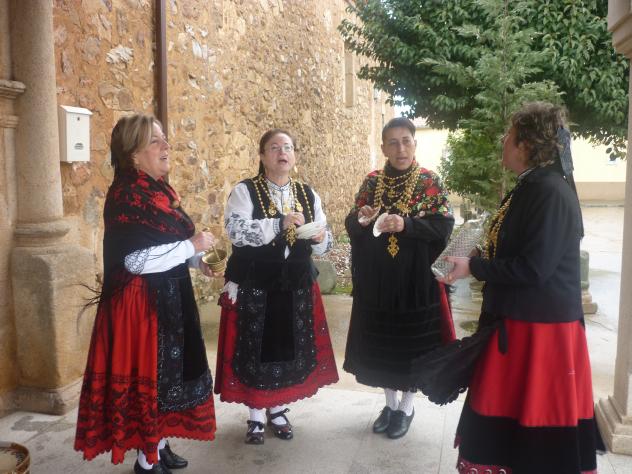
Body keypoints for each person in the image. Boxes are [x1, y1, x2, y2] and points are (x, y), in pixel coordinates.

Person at [440, 102, 601, 473]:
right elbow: (517, 246)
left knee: (534, 426)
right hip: (521, 322)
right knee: (507, 417)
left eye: (509, 135)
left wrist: (474, 267)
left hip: (542, 333)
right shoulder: (531, 185)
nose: (503, 140)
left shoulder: (550, 192)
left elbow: (535, 268)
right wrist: (479, 253)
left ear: (527, 144)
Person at [74, 114, 220, 473]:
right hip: (139, 305)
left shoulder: (158, 192)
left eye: (164, 138)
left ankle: (159, 443)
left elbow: (167, 247)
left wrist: (197, 261)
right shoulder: (127, 196)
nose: (166, 146)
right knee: (150, 381)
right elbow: (136, 261)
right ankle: (147, 460)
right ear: (134, 155)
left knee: (167, 379)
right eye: (155, 141)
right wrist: (191, 246)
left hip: (167, 296)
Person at [215, 128, 339, 444]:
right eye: (274, 147)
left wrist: (320, 237)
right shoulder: (244, 191)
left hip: (295, 284)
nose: (282, 152)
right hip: (255, 283)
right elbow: (236, 231)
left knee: (286, 347)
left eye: (287, 147)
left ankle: (279, 410)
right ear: (262, 156)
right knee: (254, 348)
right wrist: (278, 223)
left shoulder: (308, 194)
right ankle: (256, 415)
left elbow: (325, 241)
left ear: (294, 155)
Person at [343, 117, 455, 439]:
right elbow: (351, 223)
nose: (400, 148)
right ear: (383, 148)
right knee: (382, 343)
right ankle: (390, 405)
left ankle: (405, 408)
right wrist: (362, 219)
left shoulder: (429, 181)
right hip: (378, 280)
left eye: (406, 141)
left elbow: (443, 226)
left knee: (411, 345)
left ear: (415, 144)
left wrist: (408, 225)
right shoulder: (372, 182)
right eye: (393, 142)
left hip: (416, 280)